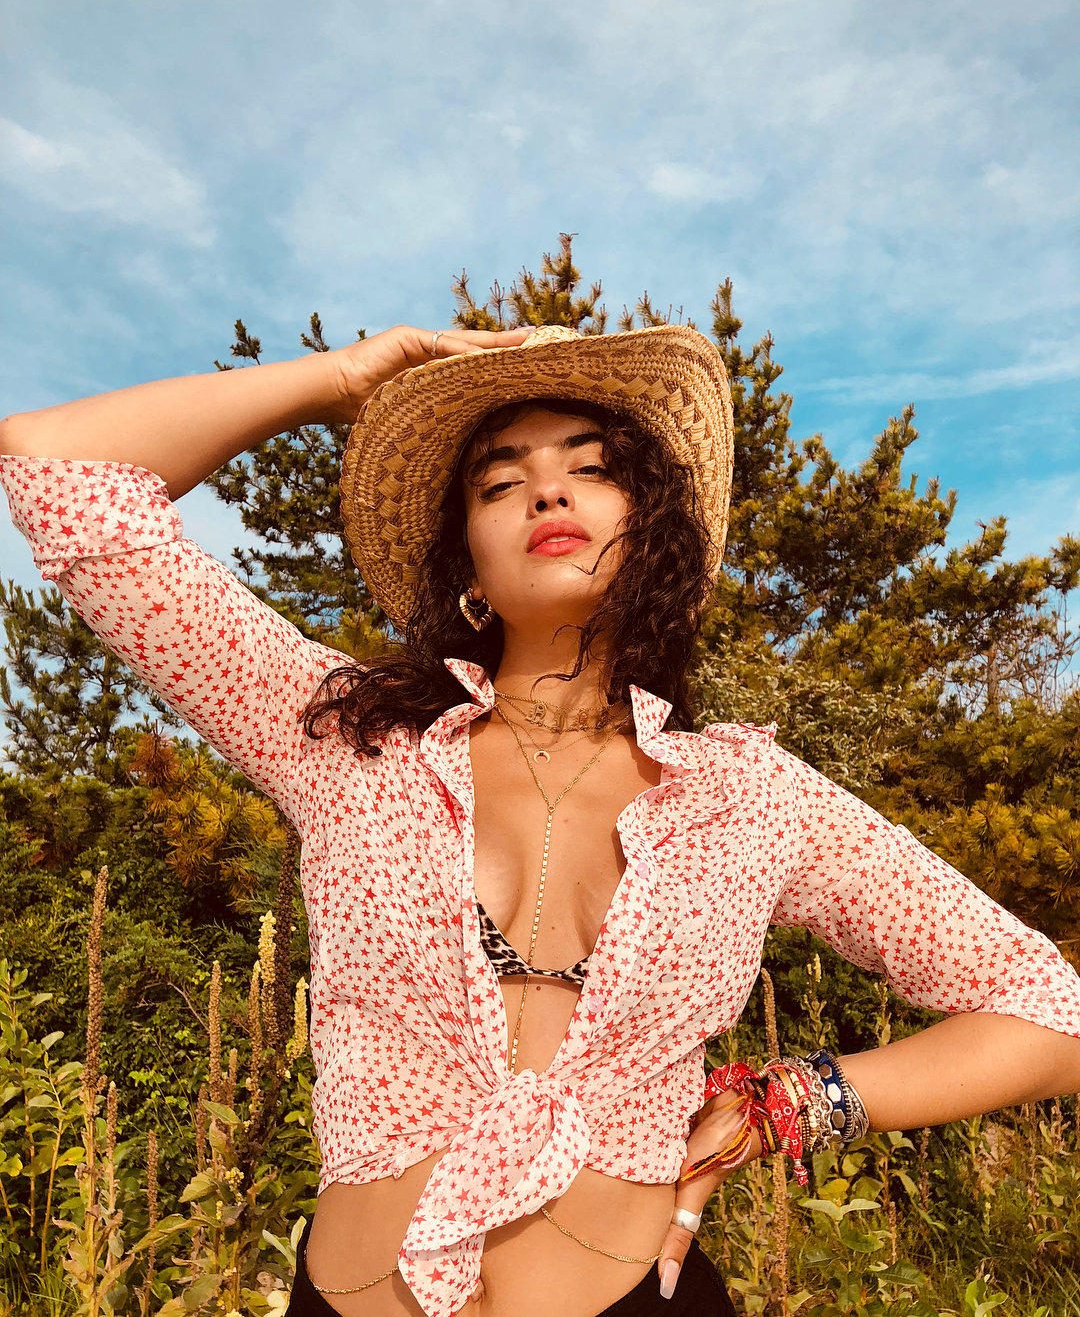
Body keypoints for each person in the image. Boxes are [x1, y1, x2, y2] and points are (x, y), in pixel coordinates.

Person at [1, 322, 1078, 1317]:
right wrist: (341, 381)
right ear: (466, 562)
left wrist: (792, 1100)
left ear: (653, 531)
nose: (547, 490)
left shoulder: (749, 794)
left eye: (593, 470)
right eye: (500, 480)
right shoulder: (340, 736)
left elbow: (1048, 1014)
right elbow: (55, 464)